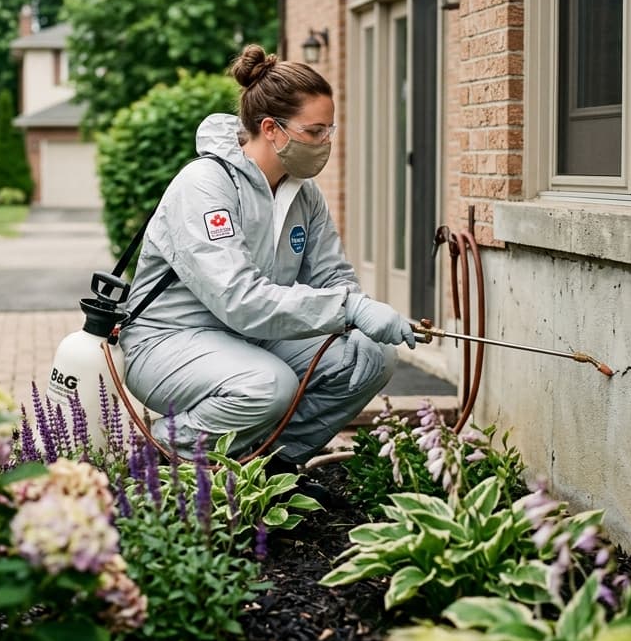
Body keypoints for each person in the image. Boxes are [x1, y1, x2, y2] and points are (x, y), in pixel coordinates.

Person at [119, 43, 416, 479]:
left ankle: (275, 467)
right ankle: (161, 455)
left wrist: (363, 312)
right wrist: (347, 309)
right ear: (272, 129)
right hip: (169, 341)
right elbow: (240, 299)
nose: (325, 143)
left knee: (370, 356)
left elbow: (332, 277)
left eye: (330, 130)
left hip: (254, 339)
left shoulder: (303, 193)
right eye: (315, 132)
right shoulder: (206, 185)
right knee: (267, 385)